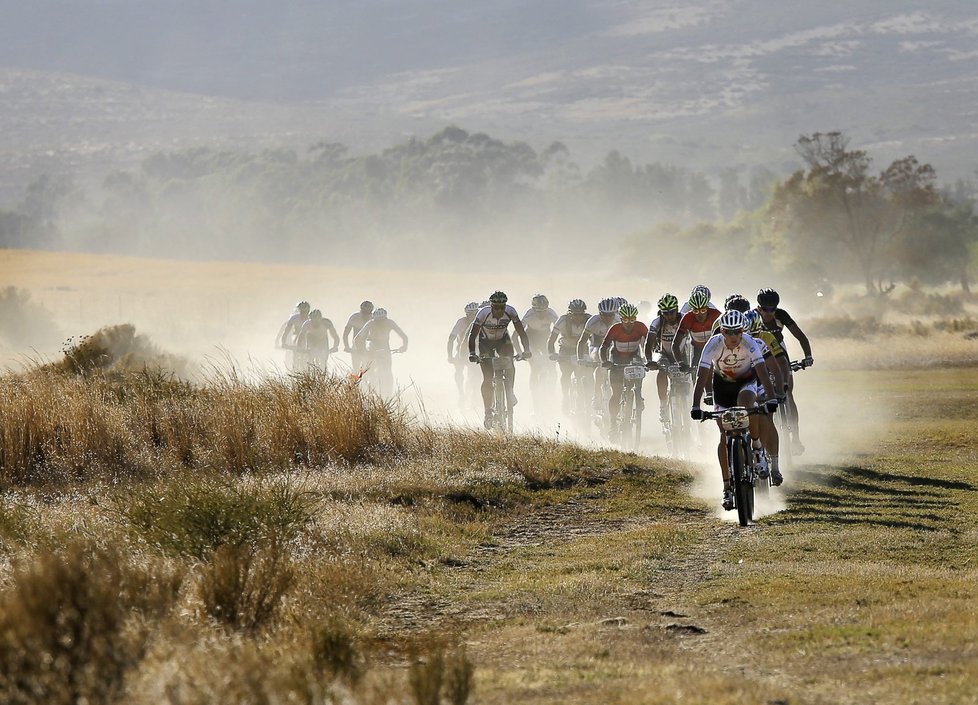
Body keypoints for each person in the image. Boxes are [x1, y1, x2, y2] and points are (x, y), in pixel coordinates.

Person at [690, 310, 778, 511]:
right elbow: (702, 376)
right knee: (724, 433)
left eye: (737, 332)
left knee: (749, 406)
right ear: (722, 331)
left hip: (746, 383)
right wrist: (696, 405)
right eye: (729, 332)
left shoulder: (749, 343)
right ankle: (727, 488)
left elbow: (763, 372)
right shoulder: (712, 344)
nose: (733, 337)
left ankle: (757, 449)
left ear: (743, 331)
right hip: (722, 387)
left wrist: (772, 398)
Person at [756, 288, 814, 454]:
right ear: (759, 308)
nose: (769, 313)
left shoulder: (781, 315)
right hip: (761, 351)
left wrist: (808, 356)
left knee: (788, 394)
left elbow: (801, 336)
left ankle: (795, 438)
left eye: (773, 309)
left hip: (778, 350)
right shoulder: (753, 318)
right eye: (765, 309)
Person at [467, 291, 532, 429]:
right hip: (485, 344)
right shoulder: (483, 314)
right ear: (491, 306)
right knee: (488, 378)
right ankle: (488, 412)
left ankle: (510, 392)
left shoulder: (511, 311)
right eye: (496, 307)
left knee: (509, 362)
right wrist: (473, 353)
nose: (499, 310)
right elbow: (472, 336)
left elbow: (521, 332)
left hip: (503, 341)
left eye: (502, 307)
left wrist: (526, 350)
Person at [599, 303, 649, 439]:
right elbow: (604, 347)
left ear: (635, 318)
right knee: (616, 393)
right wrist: (605, 361)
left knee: (640, 371)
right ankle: (613, 423)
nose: (629, 323)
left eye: (632, 319)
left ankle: (638, 395)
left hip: (634, 357)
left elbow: (649, 344)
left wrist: (648, 360)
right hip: (616, 360)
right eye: (625, 319)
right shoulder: (615, 329)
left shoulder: (641, 327)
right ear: (621, 319)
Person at [576, 297, 621, 417]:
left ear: (614, 313)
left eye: (610, 315)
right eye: (604, 315)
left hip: (612, 347)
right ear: (599, 313)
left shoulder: (618, 321)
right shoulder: (592, 321)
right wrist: (580, 358)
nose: (607, 318)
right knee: (599, 362)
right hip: (595, 347)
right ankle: (596, 395)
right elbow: (582, 342)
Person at [644, 293, 682, 424]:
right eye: (665, 313)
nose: (669, 316)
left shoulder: (684, 320)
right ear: (661, 313)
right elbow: (648, 344)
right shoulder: (657, 322)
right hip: (664, 354)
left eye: (672, 312)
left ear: (677, 309)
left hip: (682, 354)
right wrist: (649, 361)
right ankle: (663, 405)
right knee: (662, 371)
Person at [547, 299, 590, 415]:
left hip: (582, 350)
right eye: (575, 314)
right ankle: (565, 397)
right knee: (566, 373)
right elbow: (551, 340)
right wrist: (552, 353)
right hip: (565, 350)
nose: (578, 317)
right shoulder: (562, 321)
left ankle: (583, 398)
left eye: (581, 314)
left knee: (582, 374)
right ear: (569, 314)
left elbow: (595, 340)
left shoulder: (589, 320)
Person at [353, 308, 407, 397]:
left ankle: (389, 391)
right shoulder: (370, 323)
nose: (380, 323)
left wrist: (404, 347)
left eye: (382, 321)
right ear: (374, 319)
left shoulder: (390, 323)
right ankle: (361, 386)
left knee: (388, 370)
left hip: (385, 346)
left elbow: (404, 336)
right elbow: (357, 338)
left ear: (386, 318)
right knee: (365, 369)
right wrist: (361, 349)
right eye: (378, 321)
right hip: (372, 346)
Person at [520, 294, 559, 412]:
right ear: (533, 309)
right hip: (531, 338)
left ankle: (551, 391)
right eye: (538, 312)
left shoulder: (552, 314)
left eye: (544, 311)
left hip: (545, 339)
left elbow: (560, 329)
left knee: (552, 365)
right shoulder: (528, 315)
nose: (541, 314)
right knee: (535, 366)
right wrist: (523, 352)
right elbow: (517, 335)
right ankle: (534, 395)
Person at [671, 289, 722, 371]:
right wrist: (680, 363)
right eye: (696, 311)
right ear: (691, 310)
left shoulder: (716, 315)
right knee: (696, 376)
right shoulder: (687, 318)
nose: (700, 314)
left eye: (703, 310)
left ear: (707, 308)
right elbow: (675, 344)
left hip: (715, 349)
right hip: (697, 350)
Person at [447, 302, 480, 405]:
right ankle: (461, 392)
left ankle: (474, 393)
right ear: (466, 314)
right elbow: (451, 339)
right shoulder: (461, 322)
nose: (471, 317)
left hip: (476, 351)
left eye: (474, 314)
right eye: (469, 315)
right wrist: (450, 356)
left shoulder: (480, 322)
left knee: (475, 374)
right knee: (459, 370)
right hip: (462, 351)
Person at [295, 309, 340, 373]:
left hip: (323, 339)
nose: (315, 323)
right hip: (311, 339)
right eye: (313, 321)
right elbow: (301, 337)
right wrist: (299, 347)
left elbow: (335, 336)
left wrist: (335, 346)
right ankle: (310, 369)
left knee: (324, 358)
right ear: (310, 319)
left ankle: (323, 370)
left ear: (320, 319)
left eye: (317, 321)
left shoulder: (327, 323)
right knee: (310, 357)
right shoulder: (306, 324)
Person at [278, 300, 311, 371]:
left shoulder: (310, 319)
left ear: (308, 311)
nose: (303, 314)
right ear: (299, 311)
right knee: (296, 349)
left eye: (305, 312)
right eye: (302, 312)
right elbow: (286, 331)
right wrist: (283, 342)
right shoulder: (294, 318)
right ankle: (295, 368)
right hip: (296, 336)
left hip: (308, 337)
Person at [343, 301, 375, 373]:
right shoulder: (354, 318)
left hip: (369, 345)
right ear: (361, 311)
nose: (366, 315)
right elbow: (346, 334)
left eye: (368, 313)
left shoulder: (373, 318)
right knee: (356, 369)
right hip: (356, 346)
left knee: (370, 368)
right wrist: (347, 346)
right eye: (364, 313)